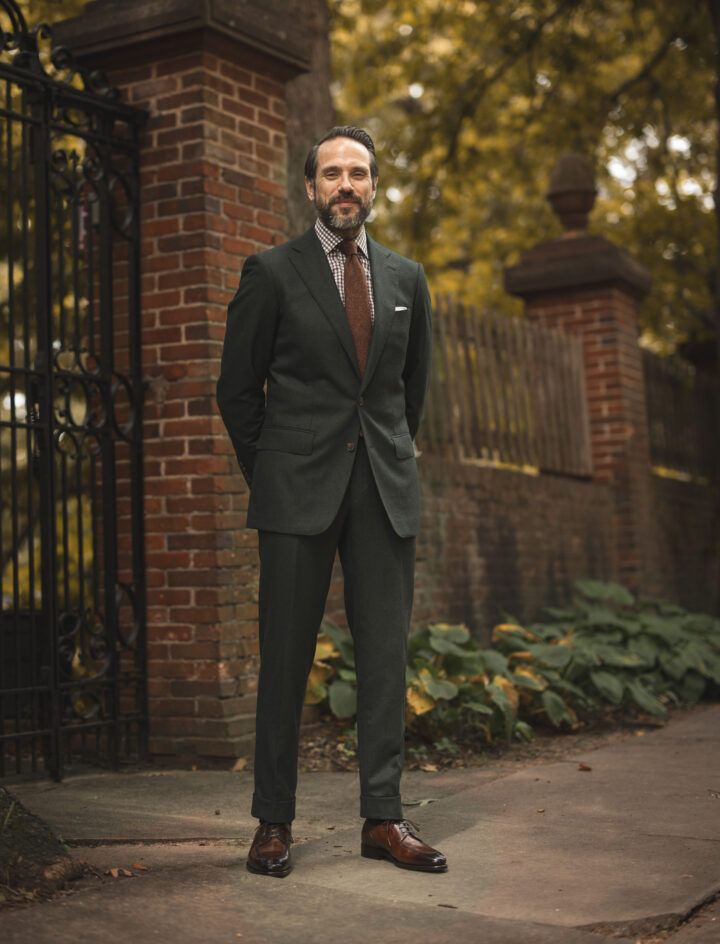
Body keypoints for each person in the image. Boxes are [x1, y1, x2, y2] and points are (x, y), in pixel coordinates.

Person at [217, 126, 446, 877]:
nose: (346, 185)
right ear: (310, 188)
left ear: (373, 187)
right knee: (285, 658)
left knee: (384, 658)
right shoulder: (272, 272)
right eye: (332, 174)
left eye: (360, 173)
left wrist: (386, 455)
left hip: (384, 489)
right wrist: (273, 470)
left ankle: (383, 819)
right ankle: (272, 823)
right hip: (295, 490)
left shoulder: (408, 278)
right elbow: (236, 391)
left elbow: (408, 393)